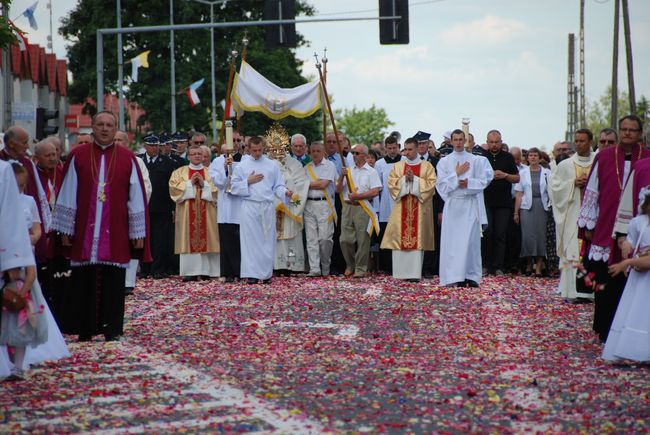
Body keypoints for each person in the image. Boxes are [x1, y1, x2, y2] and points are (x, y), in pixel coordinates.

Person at [52, 111, 151, 342]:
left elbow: (136, 197)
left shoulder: (128, 158)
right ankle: (84, 328)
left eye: (109, 125)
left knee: (114, 282)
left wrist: (138, 232)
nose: (105, 129)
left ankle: (112, 328)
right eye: (100, 124)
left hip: (115, 230)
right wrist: (66, 230)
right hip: (85, 228)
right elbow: (67, 193)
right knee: (83, 282)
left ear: (115, 127)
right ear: (93, 127)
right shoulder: (78, 155)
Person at [578, 114, 650, 343]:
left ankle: (629, 330)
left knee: (634, 281)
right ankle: (604, 327)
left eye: (632, 130)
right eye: (624, 129)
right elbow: (592, 191)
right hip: (607, 224)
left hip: (640, 227)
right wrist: (588, 224)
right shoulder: (605, 157)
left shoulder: (646, 158)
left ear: (640, 134)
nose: (628, 133)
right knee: (605, 279)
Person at [230, 136, 293, 284]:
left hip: (266, 206)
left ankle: (265, 274)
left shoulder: (272, 165)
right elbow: (233, 187)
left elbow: (278, 185)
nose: (257, 153)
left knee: (267, 239)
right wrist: (248, 181)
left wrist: (285, 192)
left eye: (259, 150)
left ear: (263, 148)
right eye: (254, 150)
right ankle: (252, 273)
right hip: (250, 205)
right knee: (250, 241)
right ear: (248, 148)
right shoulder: (242, 166)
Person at [436, 129, 493, 287]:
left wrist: (469, 183)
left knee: (470, 241)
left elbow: (486, 179)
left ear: (465, 140)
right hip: (454, 205)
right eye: (456, 139)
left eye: (461, 139)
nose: (459, 142)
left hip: (469, 204)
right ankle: (454, 276)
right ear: (451, 141)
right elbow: (441, 185)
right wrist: (456, 174)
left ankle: (471, 275)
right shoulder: (445, 162)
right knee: (453, 242)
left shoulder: (476, 160)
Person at [603, 192, 650, 362]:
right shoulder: (639, 222)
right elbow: (631, 239)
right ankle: (631, 349)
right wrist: (626, 245)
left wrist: (627, 263)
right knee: (635, 311)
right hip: (639, 278)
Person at [380, 138, 436, 281]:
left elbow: (431, 186)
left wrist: (415, 180)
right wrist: (406, 179)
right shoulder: (399, 166)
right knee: (400, 239)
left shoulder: (427, 166)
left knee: (416, 240)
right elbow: (391, 184)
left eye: (410, 149)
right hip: (401, 210)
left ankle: (414, 274)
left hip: (420, 210)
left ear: (417, 149)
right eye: (405, 149)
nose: (407, 152)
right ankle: (400, 273)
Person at [548, 129, 595, 300]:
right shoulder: (566, 165)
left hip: (594, 216)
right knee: (574, 250)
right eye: (577, 140)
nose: (579, 144)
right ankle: (573, 291)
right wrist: (572, 183)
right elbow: (555, 189)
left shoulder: (598, 162)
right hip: (573, 216)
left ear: (590, 141)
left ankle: (592, 291)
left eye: (582, 141)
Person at [169, 145, 220, 281]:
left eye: (199, 154)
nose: (197, 156)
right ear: (188, 156)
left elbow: (217, 191)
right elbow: (173, 190)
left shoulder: (210, 172)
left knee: (208, 237)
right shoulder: (180, 172)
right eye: (194, 154)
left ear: (204, 156)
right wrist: (189, 184)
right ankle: (190, 272)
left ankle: (207, 271)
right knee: (188, 237)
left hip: (207, 213)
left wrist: (205, 185)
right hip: (186, 213)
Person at [335, 144, 382, 278]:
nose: (354, 155)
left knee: (363, 239)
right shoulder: (348, 170)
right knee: (345, 239)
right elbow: (338, 190)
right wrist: (342, 176)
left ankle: (361, 268)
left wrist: (359, 196)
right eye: (353, 153)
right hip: (348, 206)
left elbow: (375, 191)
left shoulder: (371, 172)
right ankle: (350, 265)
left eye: (357, 153)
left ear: (365, 156)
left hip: (363, 207)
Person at [116, 130, 151, 295]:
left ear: (126, 142)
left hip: (129, 211)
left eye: (119, 140)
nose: (116, 143)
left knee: (130, 245)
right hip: (109, 212)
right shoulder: (102, 160)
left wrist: (134, 203)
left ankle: (127, 282)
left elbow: (145, 186)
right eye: (114, 139)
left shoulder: (136, 161)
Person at [482, 130, 520, 276]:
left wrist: (504, 175)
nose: (494, 145)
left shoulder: (508, 157)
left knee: (501, 234)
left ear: (501, 141)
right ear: (487, 142)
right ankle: (486, 264)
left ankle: (499, 266)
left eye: (496, 142)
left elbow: (517, 178)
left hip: (503, 203)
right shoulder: (482, 158)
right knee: (487, 232)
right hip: (486, 200)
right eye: (491, 142)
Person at [139, 134, 176, 279]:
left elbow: (171, 186)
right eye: (151, 145)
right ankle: (145, 269)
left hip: (162, 207)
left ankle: (158, 269)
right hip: (144, 206)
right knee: (144, 238)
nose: (155, 148)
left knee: (160, 240)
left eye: (156, 145)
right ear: (145, 146)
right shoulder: (139, 160)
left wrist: (173, 207)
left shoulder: (167, 161)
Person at [270, 139, 310, 274]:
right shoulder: (266, 163)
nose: (278, 152)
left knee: (291, 239)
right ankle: (277, 265)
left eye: (281, 148)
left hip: (290, 207)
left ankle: (292, 265)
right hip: (273, 208)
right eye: (274, 149)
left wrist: (290, 194)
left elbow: (302, 184)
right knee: (274, 238)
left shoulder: (295, 164)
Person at [209, 143, 244, 282]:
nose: (234, 142)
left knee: (240, 242)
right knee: (226, 241)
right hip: (225, 207)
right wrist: (225, 168)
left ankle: (240, 271)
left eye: (237, 139)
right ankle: (227, 272)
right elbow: (218, 182)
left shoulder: (246, 160)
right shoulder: (217, 161)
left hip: (241, 205)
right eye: (231, 139)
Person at [514, 147, 551, 277]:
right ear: (527, 158)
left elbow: (551, 191)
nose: (533, 158)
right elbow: (519, 193)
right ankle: (529, 264)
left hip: (541, 206)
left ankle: (539, 266)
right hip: (526, 207)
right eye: (531, 156)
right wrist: (516, 212)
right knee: (528, 236)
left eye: (535, 155)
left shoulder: (547, 173)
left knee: (541, 235)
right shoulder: (523, 173)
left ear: (539, 158)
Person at [303, 142, 337, 277]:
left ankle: (325, 266)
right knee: (311, 239)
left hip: (324, 204)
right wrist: (309, 184)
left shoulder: (329, 165)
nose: (315, 154)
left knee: (324, 238)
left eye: (318, 151)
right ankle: (314, 269)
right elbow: (300, 185)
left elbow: (323, 184)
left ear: (323, 152)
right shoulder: (307, 168)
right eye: (313, 151)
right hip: (309, 204)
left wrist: (306, 184)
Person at [374, 135, 404, 274]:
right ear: (385, 148)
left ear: (398, 147)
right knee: (386, 236)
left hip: (401, 202)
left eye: (394, 148)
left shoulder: (404, 161)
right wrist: (377, 208)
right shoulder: (379, 164)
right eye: (389, 148)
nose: (392, 151)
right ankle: (387, 267)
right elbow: (376, 187)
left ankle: (401, 265)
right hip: (385, 204)